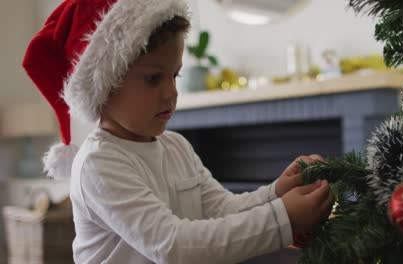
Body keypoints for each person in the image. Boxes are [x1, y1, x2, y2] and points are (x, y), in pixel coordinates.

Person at [22, 0, 335, 263]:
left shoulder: (176, 146)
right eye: (153, 79)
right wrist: (283, 219)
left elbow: (221, 209)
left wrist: (275, 192)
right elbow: (172, 244)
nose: (171, 92)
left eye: (175, 75)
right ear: (104, 86)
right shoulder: (98, 165)